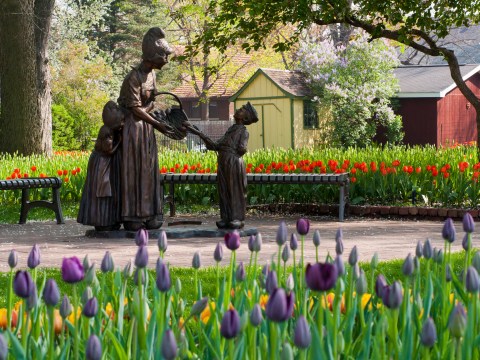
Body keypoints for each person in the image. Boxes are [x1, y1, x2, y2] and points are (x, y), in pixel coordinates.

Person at [117, 27, 175, 231]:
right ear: (153, 56)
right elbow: (133, 109)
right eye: (164, 56)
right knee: (134, 170)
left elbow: (150, 103)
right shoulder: (133, 77)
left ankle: (149, 212)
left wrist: (158, 117)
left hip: (146, 128)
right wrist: (156, 122)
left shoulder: (151, 76)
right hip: (133, 130)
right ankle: (133, 215)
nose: (166, 61)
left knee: (148, 170)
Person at [185, 102, 259, 229]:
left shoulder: (243, 132)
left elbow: (242, 149)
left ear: (245, 118)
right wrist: (199, 133)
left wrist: (229, 150)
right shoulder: (231, 129)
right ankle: (226, 217)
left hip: (233, 163)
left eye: (241, 109)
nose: (238, 109)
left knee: (234, 190)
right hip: (224, 161)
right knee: (224, 189)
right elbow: (215, 146)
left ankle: (237, 218)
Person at [77, 101, 124, 231]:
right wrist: (119, 143)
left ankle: (109, 220)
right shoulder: (107, 131)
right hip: (103, 164)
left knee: (106, 191)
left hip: (102, 162)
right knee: (103, 191)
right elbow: (108, 151)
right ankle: (103, 221)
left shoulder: (108, 129)